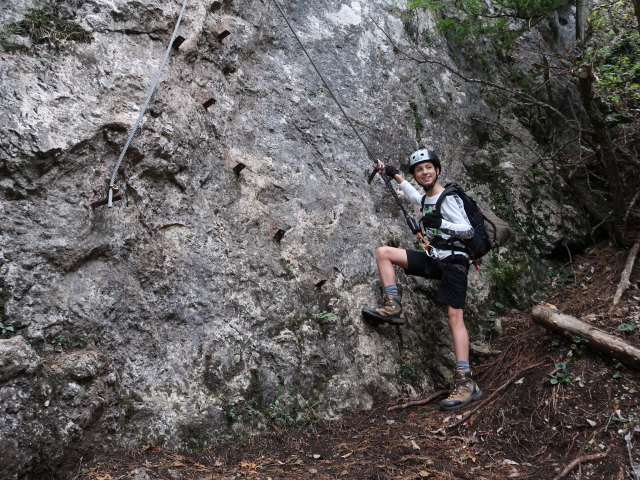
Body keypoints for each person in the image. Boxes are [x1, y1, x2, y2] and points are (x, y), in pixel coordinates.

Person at [362, 148, 482, 411]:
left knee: (455, 318)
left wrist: (442, 223)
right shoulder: (427, 197)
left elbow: (468, 229)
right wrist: (395, 176)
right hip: (435, 258)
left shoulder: (449, 197)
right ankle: (393, 305)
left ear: (437, 169)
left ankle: (465, 381)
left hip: (454, 263)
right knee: (384, 253)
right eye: (419, 170)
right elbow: (417, 198)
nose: (424, 172)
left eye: (428, 167)